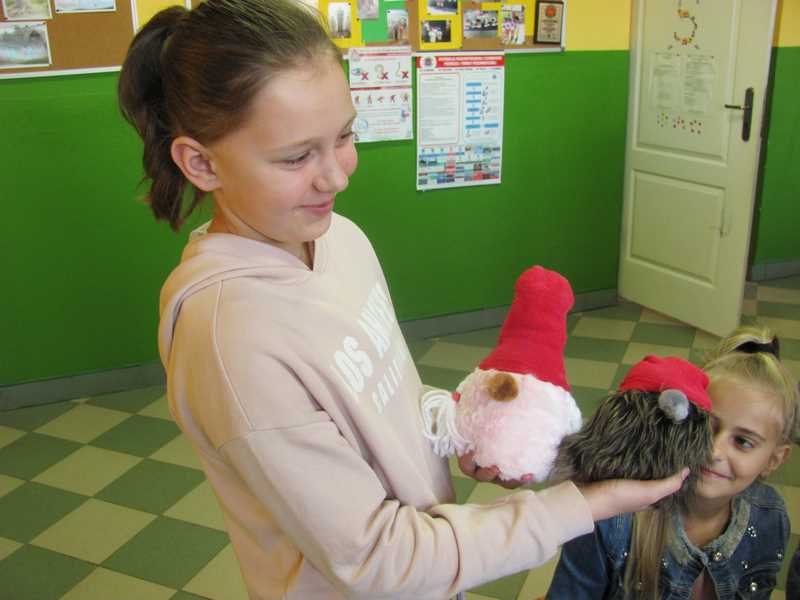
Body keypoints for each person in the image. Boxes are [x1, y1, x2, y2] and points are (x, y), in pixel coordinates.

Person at [118, 1, 688, 598]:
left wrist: (460, 427)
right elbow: (376, 559)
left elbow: (385, 401)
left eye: (344, 136)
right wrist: (585, 505)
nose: (336, 176)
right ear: (201, 163)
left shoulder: (338, 237)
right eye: (296, 157)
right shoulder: (231, 338)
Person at [546, 324, 799, 600]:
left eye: (743, 442)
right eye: (707, 426)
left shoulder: (770, 517)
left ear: (774, 460)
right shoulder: (612, 518)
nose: (714, 451)